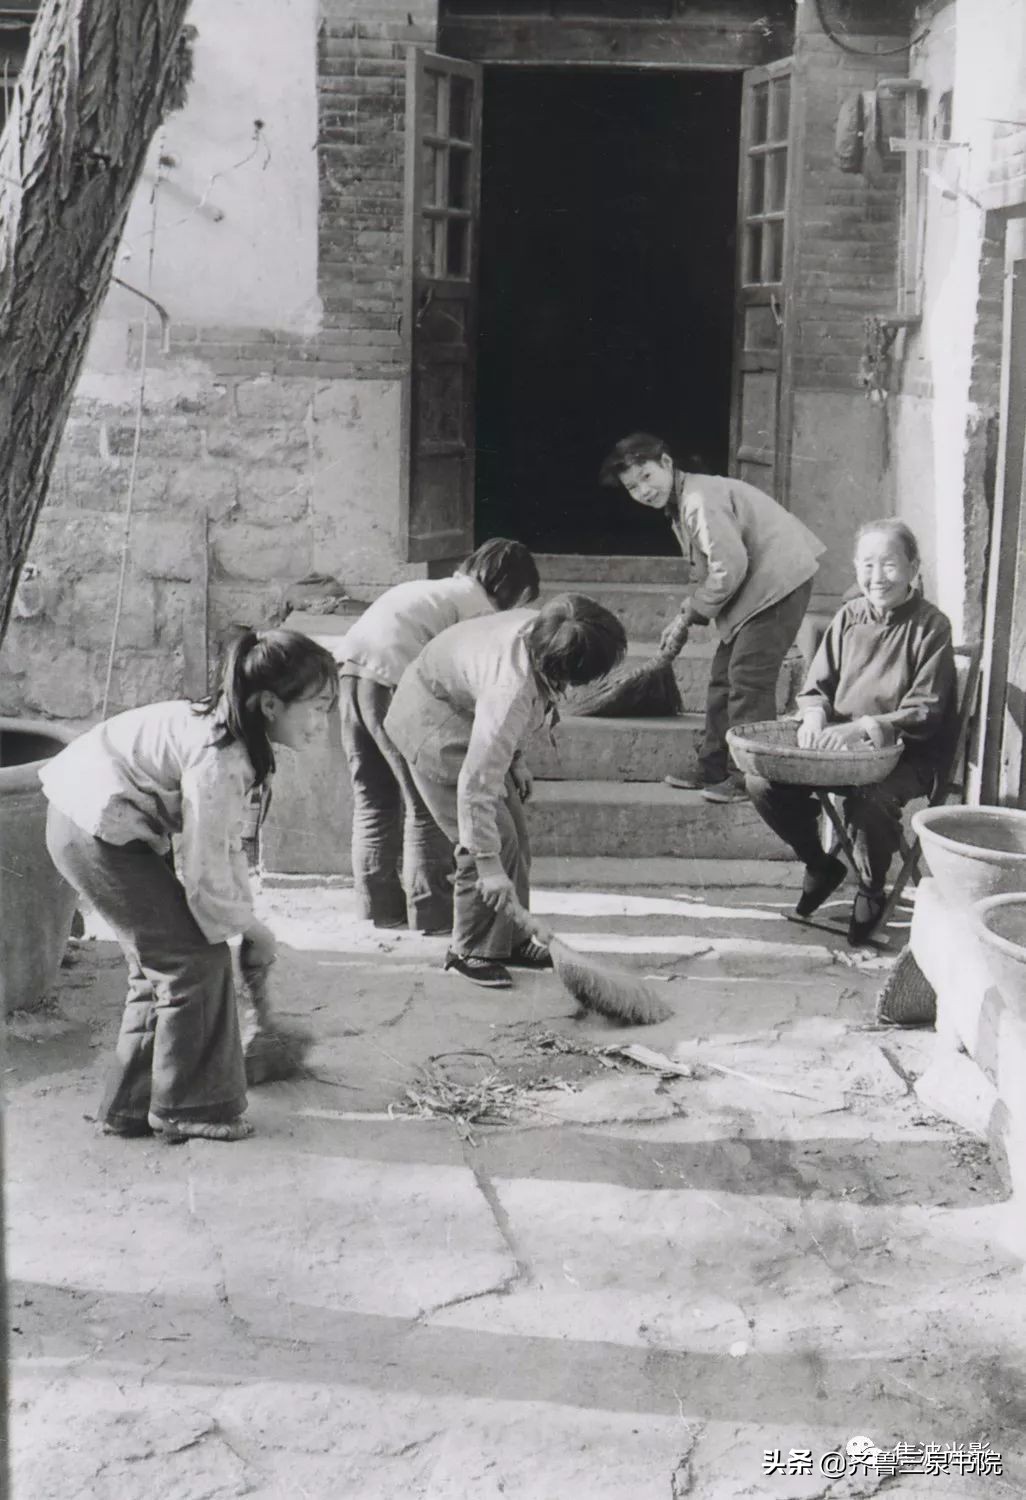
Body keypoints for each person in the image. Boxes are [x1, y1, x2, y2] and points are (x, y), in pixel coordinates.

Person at [40, 629, 339, 1142]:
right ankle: (188, 1106)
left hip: (92, 821)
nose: (323, 722)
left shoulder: (234, 734)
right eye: (317, 707)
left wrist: (247, 922)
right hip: (95, 829)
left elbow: (224, 850)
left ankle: (128, 1107)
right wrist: (247, 927)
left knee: (158, 963)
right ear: (270, 704)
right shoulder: (220, 758)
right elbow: (201, 871)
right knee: (192, 961)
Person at [385, 594, 627, 989]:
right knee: (490, 838)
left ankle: (509, 940)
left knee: (515, 836)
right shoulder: (509, 689)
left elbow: (517, 716)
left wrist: (516, 761)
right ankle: (470, 950)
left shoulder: (547, 629)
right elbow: (476, 782)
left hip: (466, 715)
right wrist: (486, 864)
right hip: (433, 727)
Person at [745, 519, 957, 945]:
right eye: (867, 565)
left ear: (914, 567)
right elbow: (815, 688)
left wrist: (865, 727)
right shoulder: (848, 616)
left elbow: (926, 710)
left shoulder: (932, 626)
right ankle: (819, 864)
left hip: (906, 755)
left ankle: (872, 888)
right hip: (840, 750)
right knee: (762, 781)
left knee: (869, 800)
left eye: (890, 565)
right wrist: (815, 718)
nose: (877, 577)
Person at [600, 433, 824, 802]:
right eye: (632, 487)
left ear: (667, 464)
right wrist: (686, 615)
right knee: (722, 678)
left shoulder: (699, 500)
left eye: (646, 476)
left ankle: (746, 778)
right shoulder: (682, 504)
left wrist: (693, 612)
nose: (643, 490)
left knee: (748, 679)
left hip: (779, 585)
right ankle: (713, 767)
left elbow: (729, 567)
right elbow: (708, 567)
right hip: (754, 590)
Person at [335, 539, 541, 932]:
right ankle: (431, 914)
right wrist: (514, 759)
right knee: (424, 802)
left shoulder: (435, 588)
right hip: (395, 682)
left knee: (373, 799)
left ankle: (378, 909)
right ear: (509, 586)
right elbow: (491, 695)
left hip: (351, 673)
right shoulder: (479, 609)